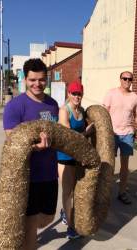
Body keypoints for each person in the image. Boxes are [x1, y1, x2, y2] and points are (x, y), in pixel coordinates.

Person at [3, 58, 59, 250]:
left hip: (50, 173)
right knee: (31, 227)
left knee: (47, 218)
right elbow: (13, 143)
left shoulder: (53, 104)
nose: (37, 84)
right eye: (33, 80)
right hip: (28, 176)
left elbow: (57, 134)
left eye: (41, 80)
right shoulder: (15, 106)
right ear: (25, 79)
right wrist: (35, 148)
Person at [57, 81, 92, 239]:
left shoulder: (82, 111)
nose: (77, 96)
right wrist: (86, 133)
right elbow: (69, 136)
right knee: (68, 192)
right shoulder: (64, 111)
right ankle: (70, 229)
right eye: (74, 93)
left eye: (79, 93)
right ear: (68, 94)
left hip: (77, 156)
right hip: (65, 156)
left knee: (76, 190)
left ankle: (66, 213)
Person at [103, 71, 137, 205]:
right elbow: (104, 112)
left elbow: (136, 116)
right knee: (109, 164)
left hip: (127, 133)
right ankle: (105, 192)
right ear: (120, 79)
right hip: (112, 133)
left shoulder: (135, 97)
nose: (127, 81)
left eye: (130, 79)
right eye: (124, 78)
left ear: (132, 81)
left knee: (125, 166)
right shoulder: (111, 93)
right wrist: (102, 130)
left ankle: (122, 192)